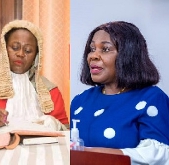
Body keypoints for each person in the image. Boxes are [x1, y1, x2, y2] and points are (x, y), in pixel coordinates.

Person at [70, 21, 169, 164]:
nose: (93, 56)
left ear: (128, 55)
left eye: (105, 49)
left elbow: (157, 155)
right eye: (92, 49)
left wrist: (88, 154)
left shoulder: (152, 98)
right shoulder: (80, 101)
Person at [0, 20, 69, 130]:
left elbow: (65, 129)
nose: (21, 54)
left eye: (28, 50)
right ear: (4, 49)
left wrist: (53, 123)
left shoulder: (50, 90)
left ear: (36, 56)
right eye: (15, 47)